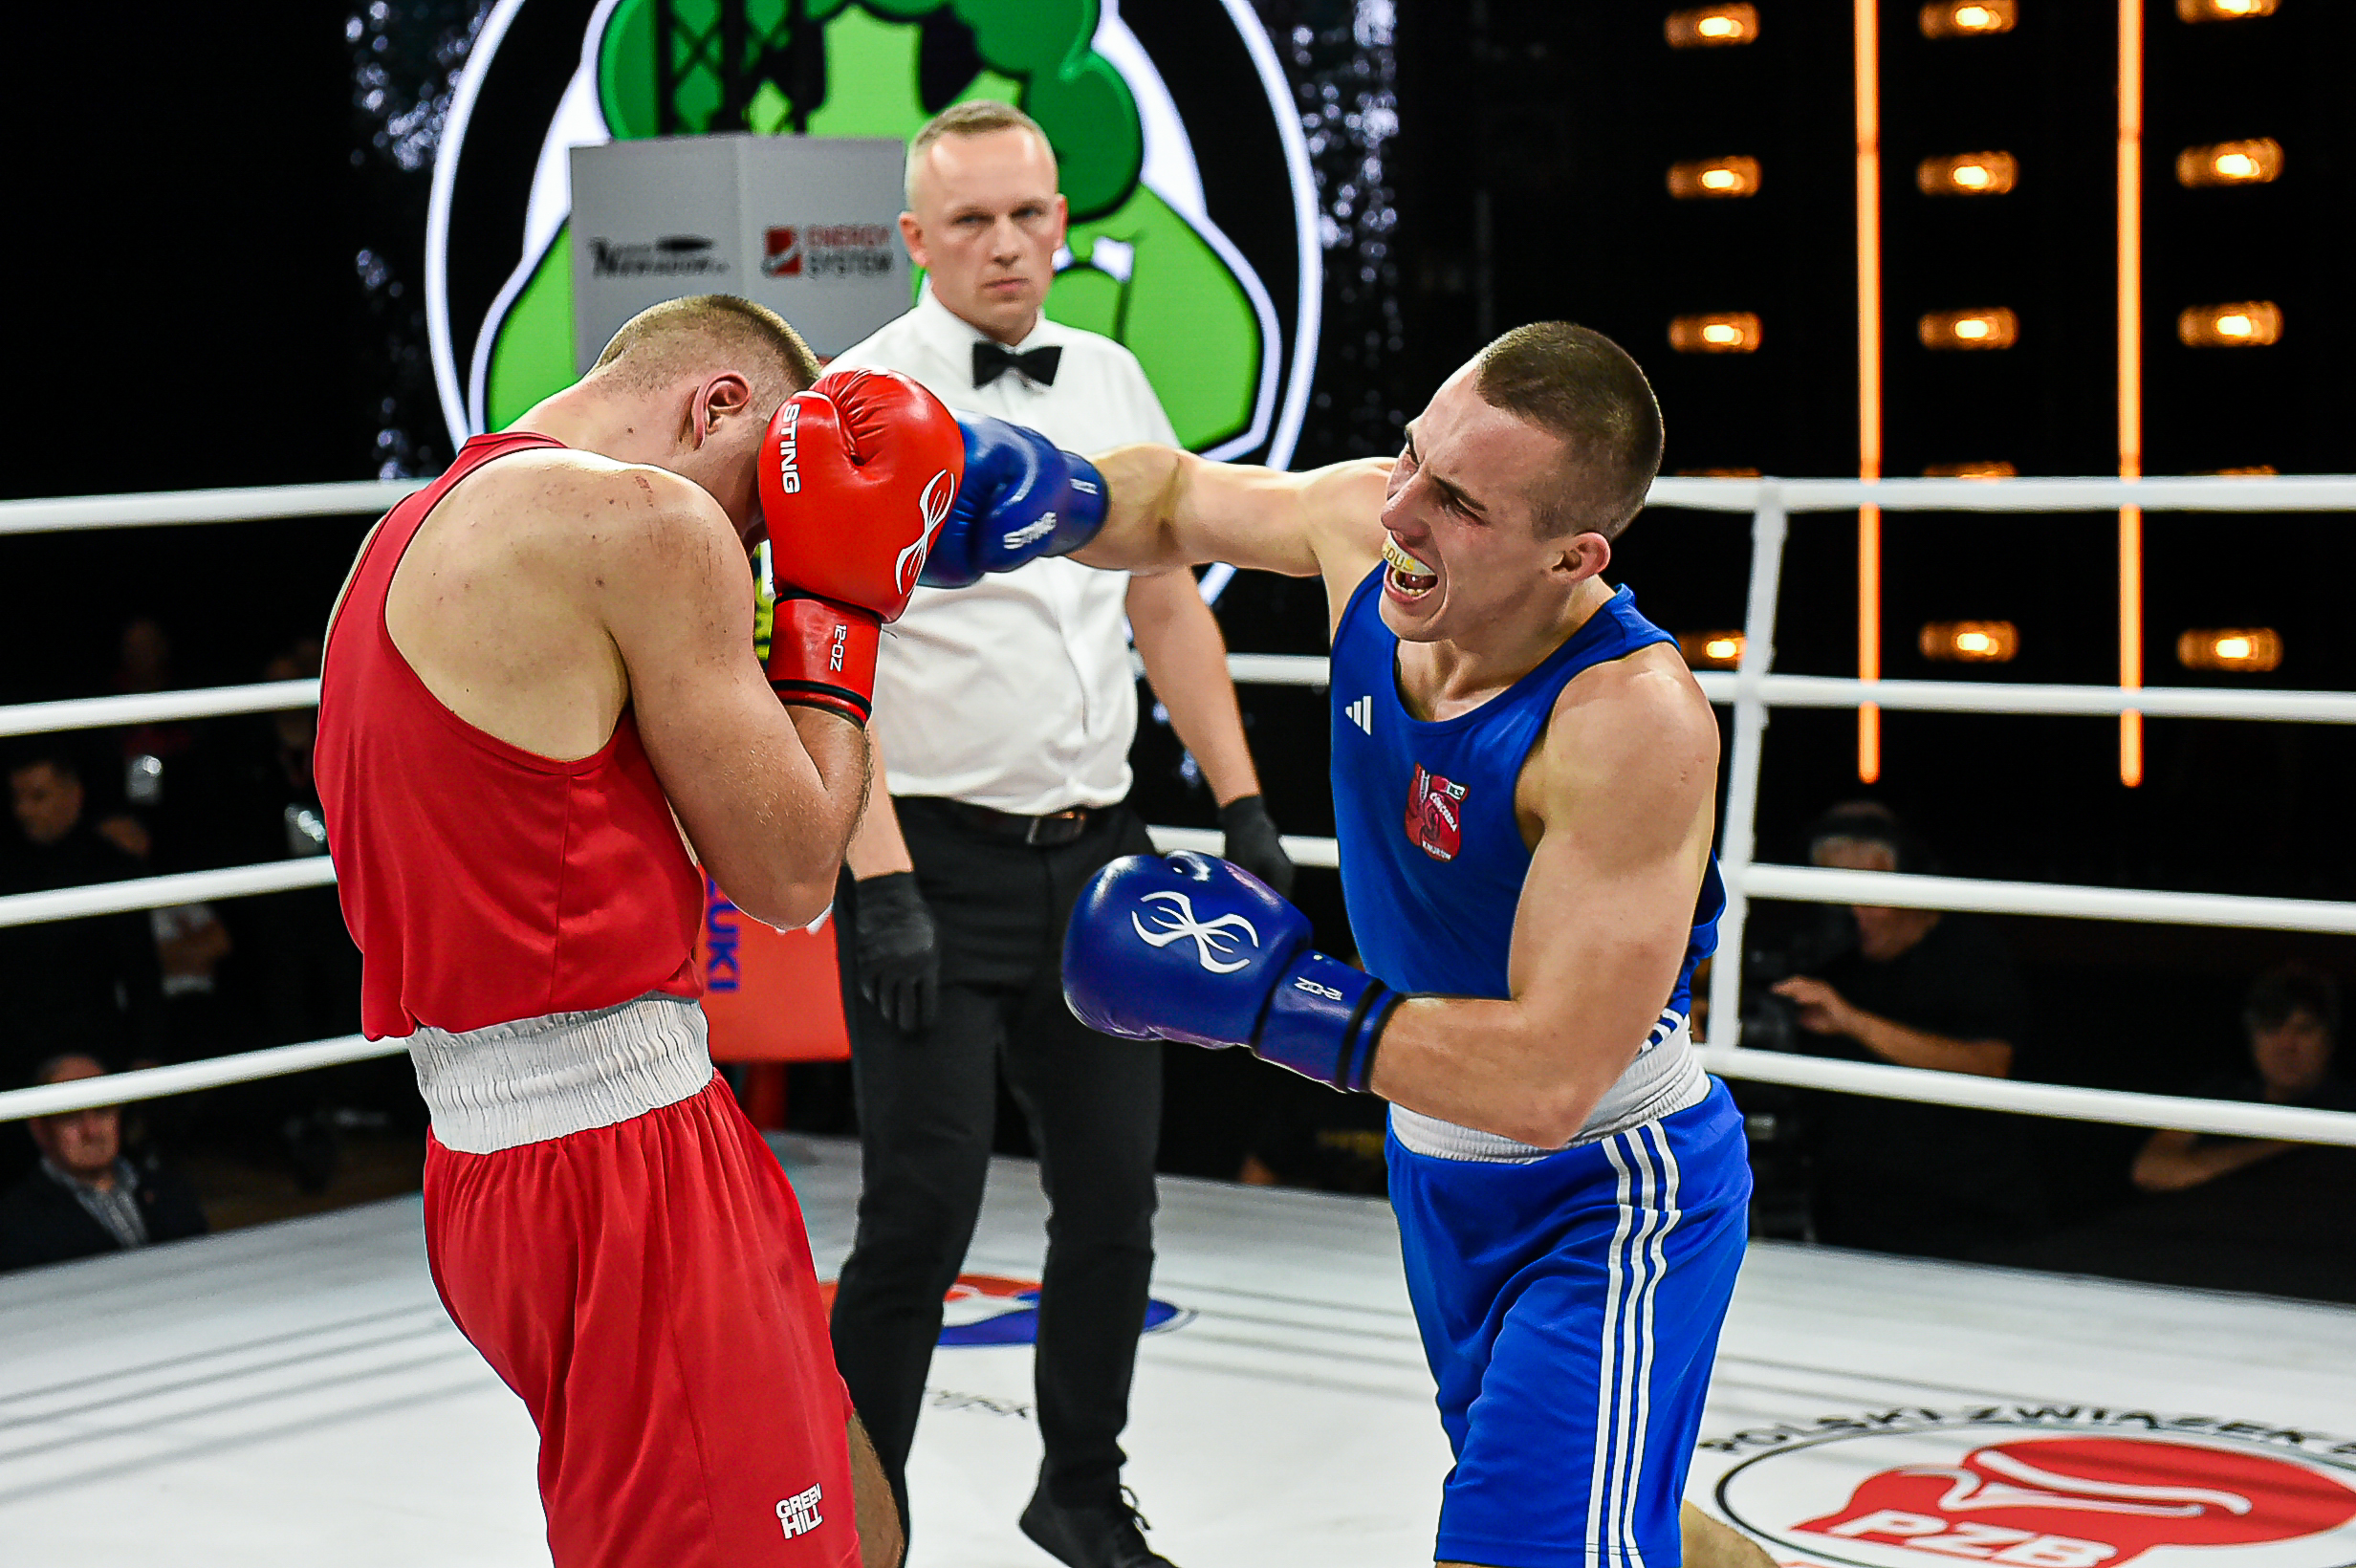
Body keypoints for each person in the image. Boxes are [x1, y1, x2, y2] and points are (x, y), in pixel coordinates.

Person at [936, 321, 1770, 1568]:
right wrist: (1042, 495)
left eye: (1461, 503)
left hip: (1607, 1193)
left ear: (1573, 555)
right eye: (1411, 455)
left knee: (1519, 1542)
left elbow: (1550, 1080)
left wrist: (1275, 998)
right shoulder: (1367, 529)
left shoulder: (1626, 722)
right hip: (1438, 1167)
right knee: (1605, 1512)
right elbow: (1172, 500)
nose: (1401, 511)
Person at [315, 294, 989, 1568]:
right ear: (719, 404)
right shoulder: (651, 521)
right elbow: (792, 875)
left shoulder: (402, 535)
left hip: (496, 1162)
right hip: (620, 1163)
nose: (755, 549)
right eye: (763, 511)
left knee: (854, 1517)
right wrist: (839, 609)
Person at [821, 100, 1290, 1568]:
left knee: (1113, 1206)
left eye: (1029, 213)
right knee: (918, 1214)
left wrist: (1243, 803)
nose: (1008, 244)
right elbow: (827, 667)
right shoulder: (853, 401)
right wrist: (881, 880)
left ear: (1064, 219)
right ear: (916, 239)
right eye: (972, 220)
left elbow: (1165, 601)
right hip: (928, 862)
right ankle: (848, 1520)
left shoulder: (1110, 374)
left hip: (1099, 856)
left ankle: (1079, 1487)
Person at [1767, 803, 2046, 1258]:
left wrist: (1852, 1021)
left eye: (1866, 895)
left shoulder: (1967, 952)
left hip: (1963, 1215)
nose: (1851, 914)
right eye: (1833, 896)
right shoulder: (1822, 956)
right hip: (1848, 1216)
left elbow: (1988, 1063)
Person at [0, 748, 168, 1089]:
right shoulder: (6, 866)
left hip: (91, 1044)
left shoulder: (112, 868)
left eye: (38, 796)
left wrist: (147, 1054)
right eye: (17, 798)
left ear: (74, 795)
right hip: (13, 1047)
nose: (24, 810)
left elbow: (141, 972)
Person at [2132, 963, 2356, 1193]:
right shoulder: (2221, 1095)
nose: (2287, 1045)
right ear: (2252, 1038)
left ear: (2329, 1040)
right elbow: (2150, 1169)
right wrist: (2295, 1144)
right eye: (2271, 1029)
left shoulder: (2347, 1108)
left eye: (2304, 1029)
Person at [0, 1054, 207, 1272]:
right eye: (70, 1116)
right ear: (40, 1129)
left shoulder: (170, 1189)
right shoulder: (15, 1222)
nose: (92, 1131)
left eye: (102, 1110)